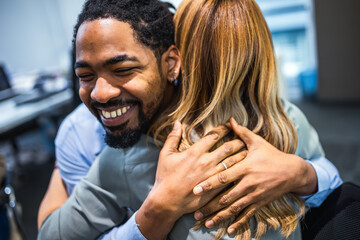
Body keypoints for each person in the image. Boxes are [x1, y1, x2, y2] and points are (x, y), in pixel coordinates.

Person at [38, 0, 342, 239]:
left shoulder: (283, 120)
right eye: (85, 75)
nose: (101, 94)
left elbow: (332, 181)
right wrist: (154, 213)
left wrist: (300, 174)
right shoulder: (286, 123)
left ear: (175, 62)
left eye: (122, 70)